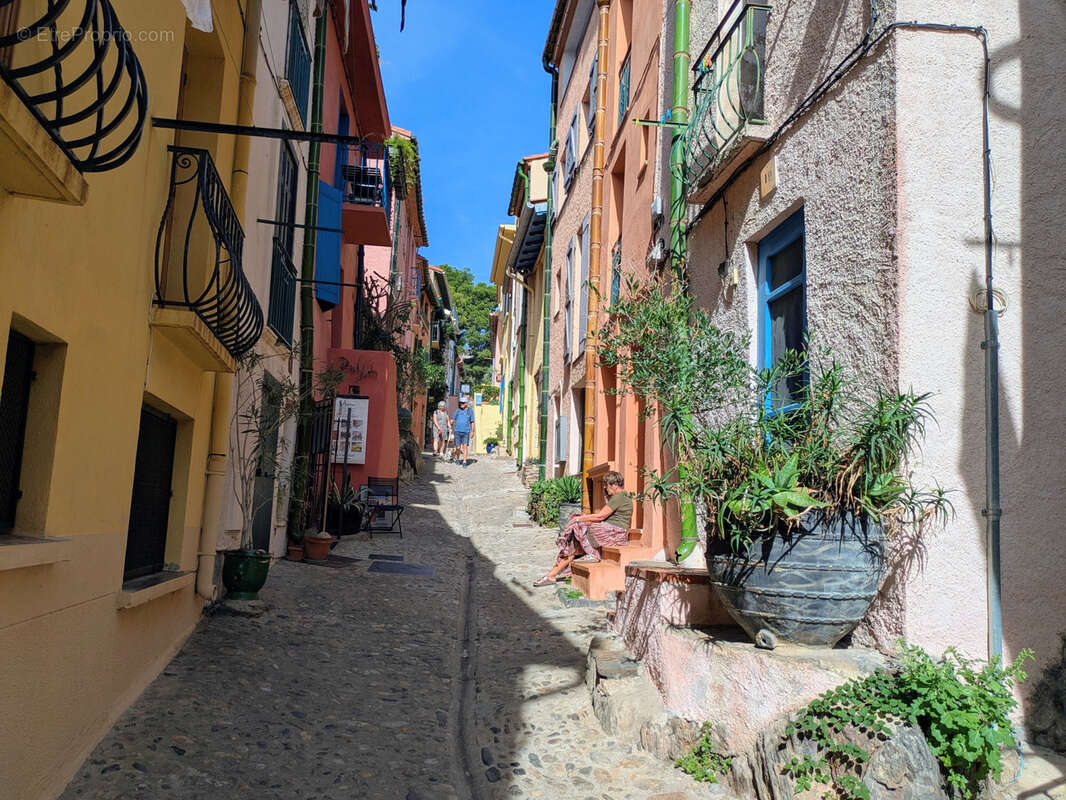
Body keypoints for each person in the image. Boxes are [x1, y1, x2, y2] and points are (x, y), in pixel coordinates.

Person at [533, 471, 632, 587]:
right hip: (610, 531)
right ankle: (551, 575)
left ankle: (593, 554)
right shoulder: (620, 496)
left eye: (607, 485)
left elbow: (601, 516)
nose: (605, 487)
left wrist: (579, 519)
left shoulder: (619, 497)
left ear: (614, 485)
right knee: (573, 544)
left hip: (615, 533)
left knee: (579, 524)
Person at [450, 396, 475, 467]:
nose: (461, 404)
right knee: (458, 447)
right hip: (457, 431)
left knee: (465, 447)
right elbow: (453, 419)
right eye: (460, 403)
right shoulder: (457, 410)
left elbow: (472, 422)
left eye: (463, 403)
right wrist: (450, 423)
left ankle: (464, 461)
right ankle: (458, 459)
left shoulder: (470, 411)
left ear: (466, 403)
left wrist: (472, 431)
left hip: (466, 431)